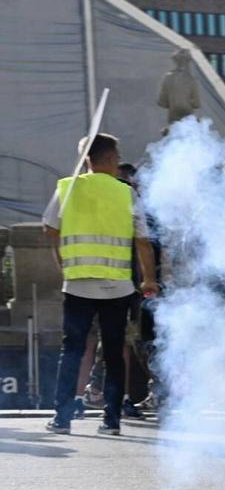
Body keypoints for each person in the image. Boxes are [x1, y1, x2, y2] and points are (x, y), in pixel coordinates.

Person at [43, 134, 158, 436]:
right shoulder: (126, 193)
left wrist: (62, 265)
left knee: (72, 350)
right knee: (114, 352)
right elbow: (143, 241)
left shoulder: (67, 188)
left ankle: (62, 417)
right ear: (108, 160)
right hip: (117, 287)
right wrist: (149, 278)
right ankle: (111, 420)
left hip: (78, 285)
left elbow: (50, 228)